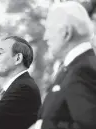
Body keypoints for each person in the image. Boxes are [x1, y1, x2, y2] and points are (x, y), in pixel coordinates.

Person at [30, 1, 96, 129]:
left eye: (49, 29)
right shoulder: (74, 68)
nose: (45, 37)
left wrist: (43, 127)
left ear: (66, 33)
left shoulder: (82, 70)